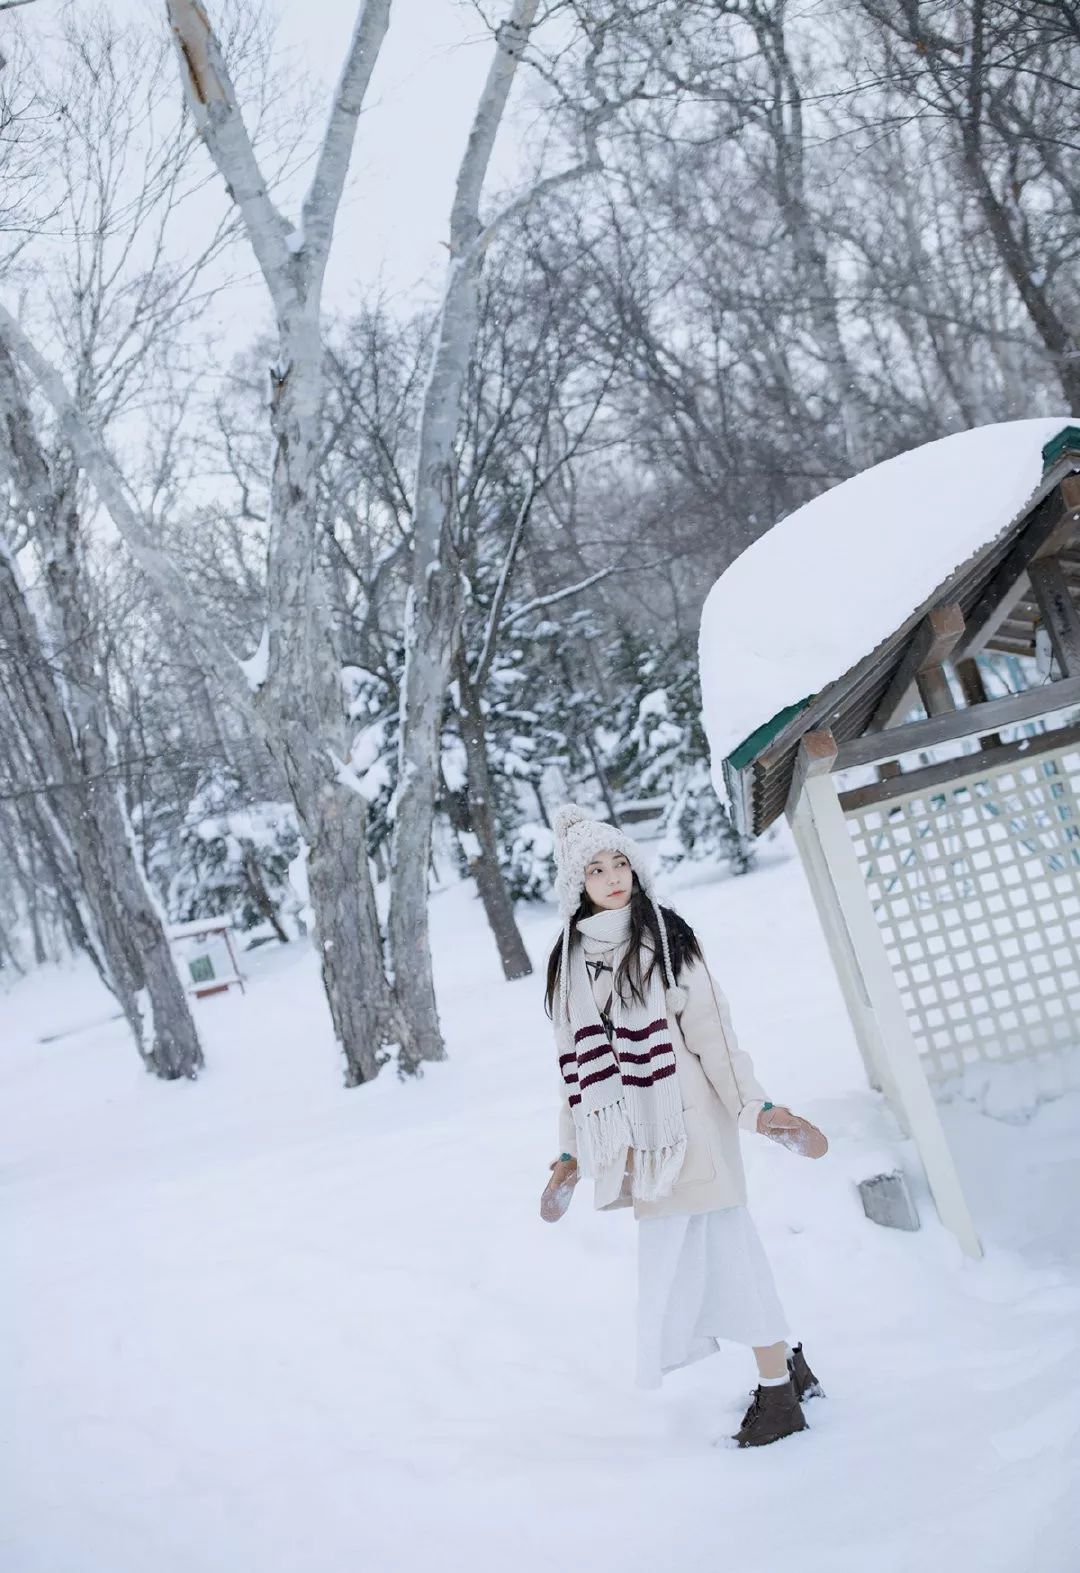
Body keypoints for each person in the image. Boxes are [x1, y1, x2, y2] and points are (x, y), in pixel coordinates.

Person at [540, 803, 829, 1448]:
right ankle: (789, 1365)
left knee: (725, 1252)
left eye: (621, 863)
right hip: (639, 1146)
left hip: (689, 1128)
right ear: (575, 886)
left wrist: (756, 1109)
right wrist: (568, 1153)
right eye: (597, 869)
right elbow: (574, 1071)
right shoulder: (568, 966)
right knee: (713, 1260)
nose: (614, 877)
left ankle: (779, 1392)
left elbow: (714, 1038)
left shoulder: (666, 939)